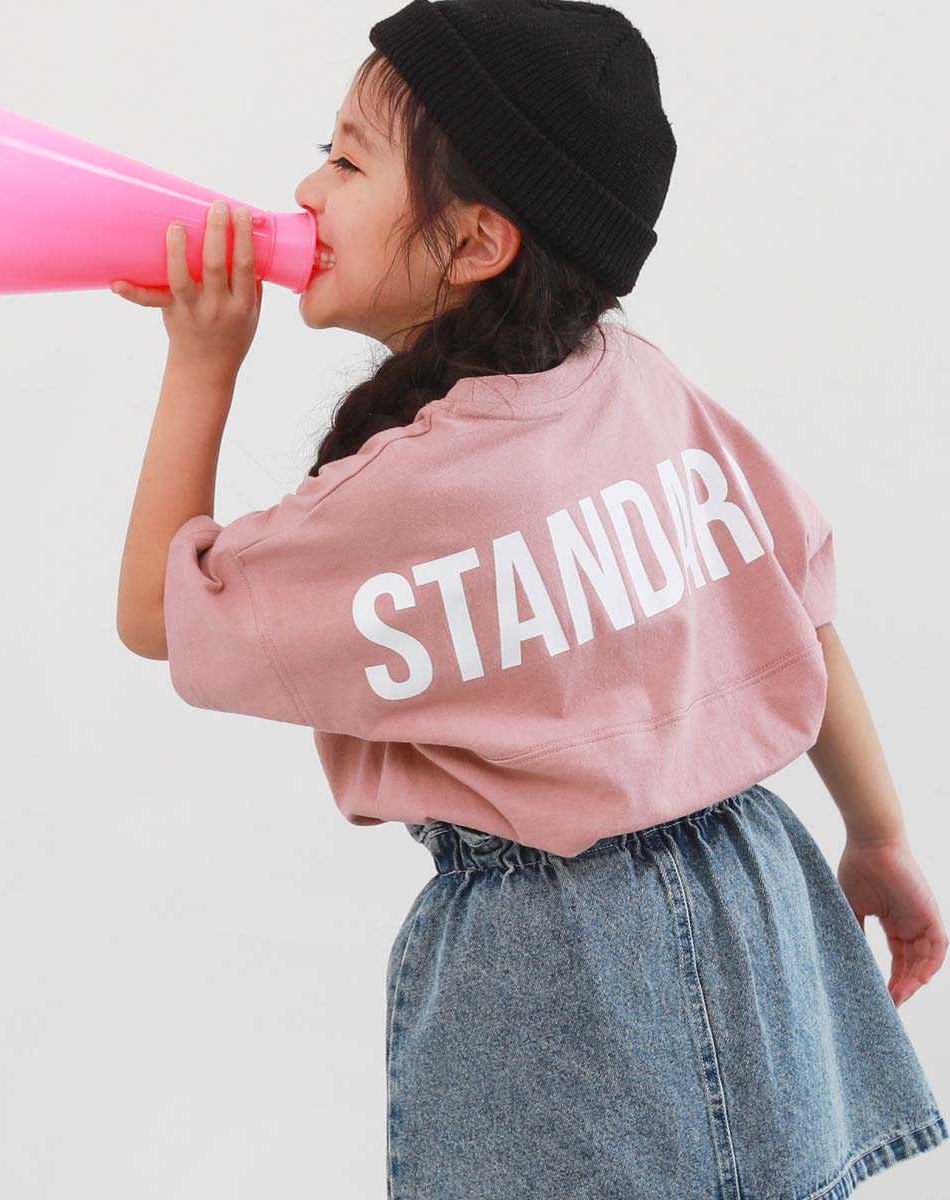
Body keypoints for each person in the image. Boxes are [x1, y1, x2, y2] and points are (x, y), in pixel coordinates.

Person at [113, 1, 948, 1196]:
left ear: (476, 243)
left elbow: (160, 615)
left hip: (554, 962)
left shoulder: (406, 492)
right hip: (755, 893)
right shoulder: (639, 384)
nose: (304, 189)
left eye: (347, 160)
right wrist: (877, 834)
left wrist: (201, 364)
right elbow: (796, 608)